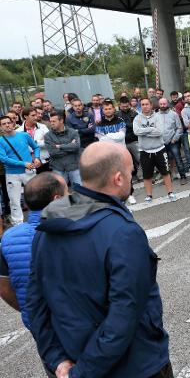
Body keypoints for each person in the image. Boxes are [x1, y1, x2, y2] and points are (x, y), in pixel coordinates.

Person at [27, 142, 172, 378]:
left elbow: (35, 302)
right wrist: (83, 372)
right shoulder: (123, 232)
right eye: (130, 172)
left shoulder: (47, 226)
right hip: (135, 365)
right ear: (117, 178)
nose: (131, 177)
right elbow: (124, 313)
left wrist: (57, 359)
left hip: (72, 359)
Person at [0, 172, 67, 329]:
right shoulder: (75, 229)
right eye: (67, 194)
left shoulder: (8, 239)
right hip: (79, 326)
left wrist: (29, 310)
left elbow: (4, 287)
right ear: (57, 200)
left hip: (38, 324)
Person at [133, 98, 177, 202]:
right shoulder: (137, 118)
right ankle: (149, 196)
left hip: (159, 149)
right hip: (145, 151)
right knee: (147, 175)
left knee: (165, 172)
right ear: (141, 106)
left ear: (151, 105)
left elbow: (159, 132)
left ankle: (170, 193)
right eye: (143, 104)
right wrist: (151, 129)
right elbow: (136, 131)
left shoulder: (158, 117)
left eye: (147, 104)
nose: (145, 106)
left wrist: (144, 132)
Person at [0, 116, 40, 225]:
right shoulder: (1, 141)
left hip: (29, 171)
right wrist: (23, 163)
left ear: (13, 123)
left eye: (9, 122)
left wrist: (37, 157)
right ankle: (18, 225)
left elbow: (36, 147)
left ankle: (39, 220)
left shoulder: (24, 135)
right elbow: (4, 159)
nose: (7, 125)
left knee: (36, 197)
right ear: (1, 127)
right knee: (14, 201)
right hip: (12, 174)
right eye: (4, 124)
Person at [44, 112, 82, 187]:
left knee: (80, 192)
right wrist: (70, 146)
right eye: (50, 121)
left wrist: (60, 146)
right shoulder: (48, 136)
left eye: (54, 121)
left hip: (74, 167)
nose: (51, 123)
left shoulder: (72, 132)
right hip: (58, 168)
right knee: (60, 193)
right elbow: (53, 152)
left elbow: (77, 146)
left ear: (61, 121)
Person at [158, 98, 187, 185]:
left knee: (178, 160)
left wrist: (175, 138)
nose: (163, 106)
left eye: (164, 104)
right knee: (164, 162)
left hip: (173, 141)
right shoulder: (155, 116)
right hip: (161, 143)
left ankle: (183, 177)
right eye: (161, 104)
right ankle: (168, 178)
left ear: (167, 104)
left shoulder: (174, 114)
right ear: (159, 105)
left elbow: (179, 127)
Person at [17, 107, 49, 173]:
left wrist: (35, 142)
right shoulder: (18, 131)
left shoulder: (43, 127)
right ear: (25, 116)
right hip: (28, 163)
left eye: (36, 115)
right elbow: (20, 147)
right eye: (33, 115)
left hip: (44, 161)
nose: (36, 117)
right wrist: (40, 142)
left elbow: (49, 142)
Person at [118, 96, 140, 183]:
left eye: (127, 106)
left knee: (140, 158)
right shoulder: (117, 115)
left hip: (134, 140)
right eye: (123, 106)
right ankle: (133, 176)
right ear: (120, 105)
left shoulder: (134, 113)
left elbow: (135, 126)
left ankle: (148, 173)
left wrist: (124, 124)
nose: (125, 108)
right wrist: (128, 125)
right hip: (122, 142)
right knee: (128, 161)